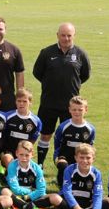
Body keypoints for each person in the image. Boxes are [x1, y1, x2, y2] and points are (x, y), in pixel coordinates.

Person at [33, 22, 91, 167]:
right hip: (49, 102)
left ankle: (69, 167)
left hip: (71, 106)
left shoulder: (80, 54)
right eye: (63, 35)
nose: (66, 38)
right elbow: (37, 73)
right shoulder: (46, 52)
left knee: (69, 136)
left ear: (74, 36)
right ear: (57, 35)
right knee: (45, 134)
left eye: (69, 36)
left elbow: (84, 75)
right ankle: (40, 164)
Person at [59, 144, 109, 209]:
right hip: (71, 203)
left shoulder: (96, 173)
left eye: (88, 158)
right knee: (55, 198)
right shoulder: (69, 170)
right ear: (76, 158)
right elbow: (67, 191)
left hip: (87, 203)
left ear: (93, 159)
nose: (85, 161)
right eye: (81, 157)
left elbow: (98, 195)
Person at [6, 141, 60, 209]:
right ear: (16, 153)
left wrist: (28, 196)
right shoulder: (12, 166)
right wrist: (30, 191)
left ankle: (19, 206)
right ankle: (33, 208)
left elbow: (41, 190)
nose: (24, 158)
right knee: (5, 192)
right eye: (21, 155)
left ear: (32, 154)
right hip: (18, 195)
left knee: (51, 197)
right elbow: (15, 189)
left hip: (33, 196)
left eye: (27, 155)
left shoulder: (37, 168)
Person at [51, 96, 95, 186]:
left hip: (80, 158)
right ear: (69, 110)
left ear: (86, 110)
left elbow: (90, 148)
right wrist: (57, 158)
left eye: (80, 110)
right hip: (64, 157)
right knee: (63, 166)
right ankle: (62, 186)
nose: (77, 112)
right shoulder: (63, 127)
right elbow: (57, 144)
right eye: (74, 109)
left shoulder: (90, 129)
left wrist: (88, 160)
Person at [1, 88, 42, 166]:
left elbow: (31, 141)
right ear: (15, 102)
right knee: (9, 160)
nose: (21, 104)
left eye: (24, 101)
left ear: (30, 102)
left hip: (23, 152)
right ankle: (9, 173)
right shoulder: (7, 117)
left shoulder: (36, 121)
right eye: (19, 101)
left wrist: (24, 153)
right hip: (8, 151)